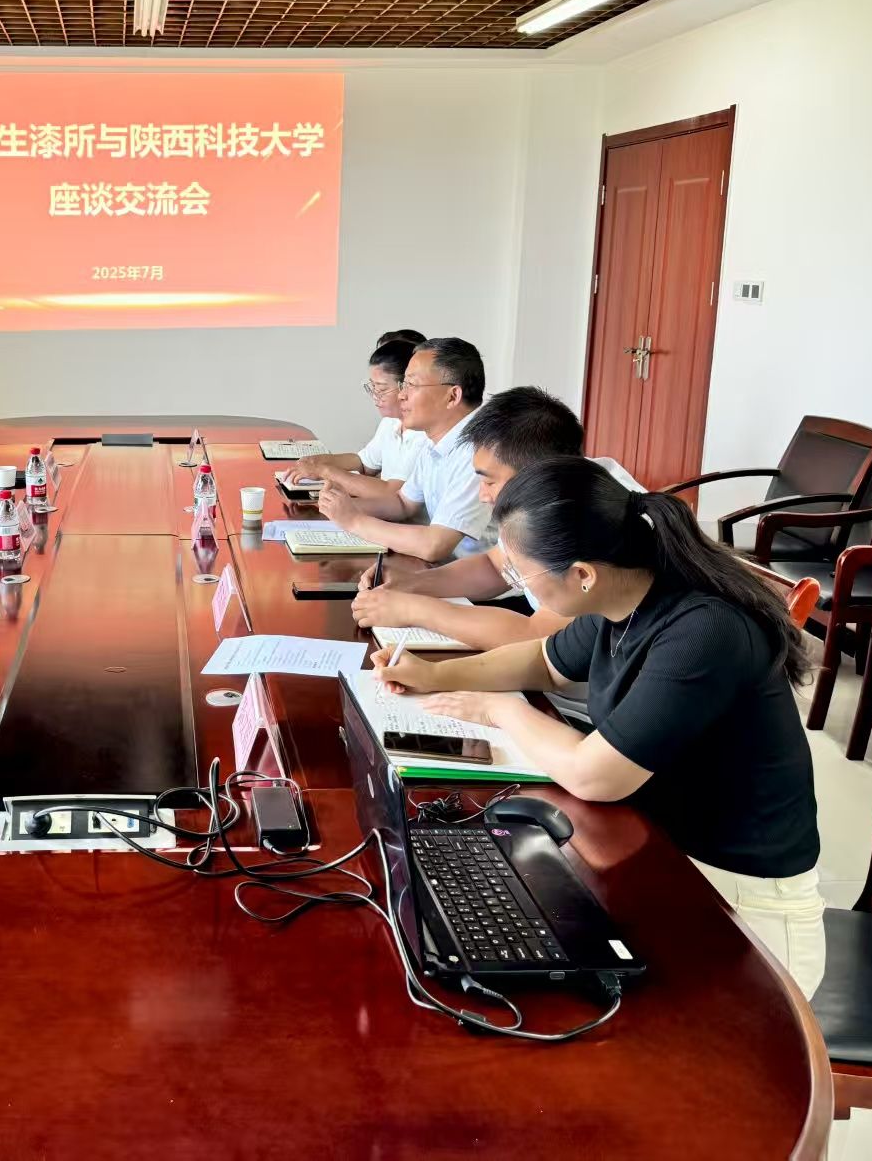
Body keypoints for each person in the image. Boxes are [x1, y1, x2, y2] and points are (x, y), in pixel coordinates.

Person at [372, 457, 825, 997]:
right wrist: (433, 674)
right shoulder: (627, 595)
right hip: (662, 853)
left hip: (742, 905)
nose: (517, 583)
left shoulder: (705, 631)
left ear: (582, 574)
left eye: (521, 574)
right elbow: (544, 662)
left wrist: (499, 710)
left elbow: (595, 776)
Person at [350, 386, 642, 649]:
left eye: (489, 481)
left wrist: (413, 609)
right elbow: (496, 566)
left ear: (533, 473)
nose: (483, 495)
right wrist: (411, 584)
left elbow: (540, 635)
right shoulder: (552, 488)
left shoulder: (583, 513)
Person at [318, 337, 491, 562]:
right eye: (403, 385)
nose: (401, 395)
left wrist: (354, 521)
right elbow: (403, 503)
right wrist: (340, 506)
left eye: (412, 385)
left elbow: (434, 545)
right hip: (445, 569)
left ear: (452, 396)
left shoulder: (478, 451)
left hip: (482, 581)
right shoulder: (436, 440)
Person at [295, 337, 423, 500]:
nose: (375, 396)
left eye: (381, 389)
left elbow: (394, 493)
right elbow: (364, 463)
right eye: (372, 387)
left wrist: (324, 471)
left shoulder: (424, 433)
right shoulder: (390, 422)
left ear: (407, 386)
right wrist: (316, 462)